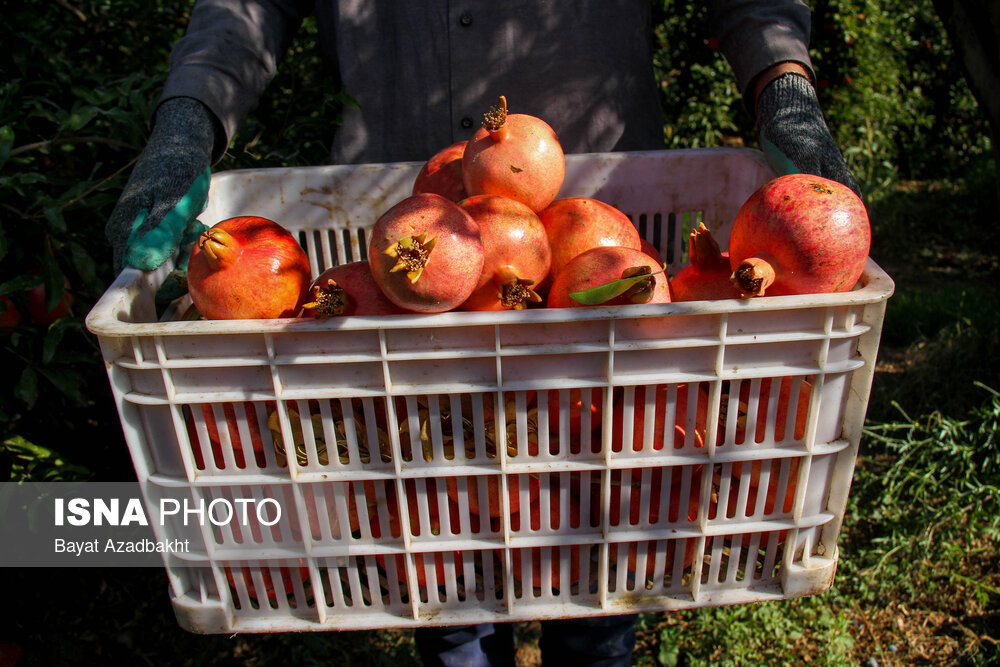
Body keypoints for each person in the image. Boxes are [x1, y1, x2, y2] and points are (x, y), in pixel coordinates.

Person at [104, 2, 859, 664]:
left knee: (607, 509)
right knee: (434, 529)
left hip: (603, 215)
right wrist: (185, 124)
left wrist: (784, 87)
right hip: (395, 251)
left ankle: (592, 643)